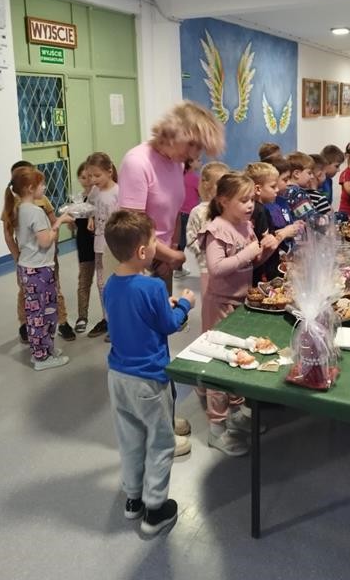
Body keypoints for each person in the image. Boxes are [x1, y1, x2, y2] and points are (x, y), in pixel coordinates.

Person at [118, 100, 225, 457]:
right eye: (193, 145)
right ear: (174, 134)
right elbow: (132, 229)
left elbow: (171, 215)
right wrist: (170, 256)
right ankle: (155, 431)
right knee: (145, 348)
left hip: (157, 259)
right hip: (137, 262)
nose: (195, 155)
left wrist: (169, 255)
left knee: (160, 340)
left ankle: (163, 414)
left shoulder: (175, 162)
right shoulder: (138, 162)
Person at [103, 209, 195, 536]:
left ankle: (133, 499)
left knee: (129, 439)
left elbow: (132, 314)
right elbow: (168, 325)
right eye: (155, 240)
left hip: (118, 377)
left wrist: (161, 305)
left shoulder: (110, 285)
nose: (158, 245)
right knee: (160, 442)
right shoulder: (153, 286)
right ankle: (155, 509)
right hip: (149, 380)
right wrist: (184, 304)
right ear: (142, 251)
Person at [199, 172, 277, 455]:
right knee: (220, 365)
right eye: (243, 200)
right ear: (223, 201)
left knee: (240, 358)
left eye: (251, 200)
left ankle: (235, 413)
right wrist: (248, 253)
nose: (250, 205)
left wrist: (266, 250)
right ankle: (216, 428)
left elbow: (250, 263)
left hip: (241, 302)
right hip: (220, 304)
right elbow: (217, 268)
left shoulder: (246, 225)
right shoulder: (216, 230)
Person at [3, 166, 73, 370]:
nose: (45, 188)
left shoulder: (18, 209)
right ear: (30, 187)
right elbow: (45, 241)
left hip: (29, 268)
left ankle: (46, 349)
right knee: (41, 314)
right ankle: (41, 357)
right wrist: (59, 222)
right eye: (41, 184)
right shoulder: (34, 211)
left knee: (40, 312)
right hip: (39, 270)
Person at [244, 161, 302, 283]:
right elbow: (265, 245)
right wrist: (284, 233)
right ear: (258, 189)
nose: (277, 190)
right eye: (272, 186)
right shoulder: (260, 211)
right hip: (262, 274)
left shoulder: (259, 209)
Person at [185, 161, 229, 319]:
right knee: (211, 310)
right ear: (207, 185)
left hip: (229, 268)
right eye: (220, 184)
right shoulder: (198, 211)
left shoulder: (228, 209)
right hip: (207, 268)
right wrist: (208, 249)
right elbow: (191, 239)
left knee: (227, 309)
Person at [86, 152, 119, 339]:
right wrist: (91, 217)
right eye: (90, 176)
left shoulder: (118, 192)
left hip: (114, 247)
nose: (93, 180)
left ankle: (117, 322)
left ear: (109, 171)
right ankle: (107, 318)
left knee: (114, 283)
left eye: (97, 175)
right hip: (99, 244)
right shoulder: (95, 191)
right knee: (101, 284)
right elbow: (91, 205)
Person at [73, 162, 95, 334]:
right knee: (84, 282)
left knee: (104, 283)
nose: (87, 180)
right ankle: (82, 316)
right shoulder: (78, 200)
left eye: (90, 176)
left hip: (100, 243)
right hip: (84, 245)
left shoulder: (100, 196)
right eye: (83, 177)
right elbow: (74, 224)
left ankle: (108, 318)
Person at [174, 157, 201, 279]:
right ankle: (178, 268)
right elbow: (202, 192)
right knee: (183, 241)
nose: (200, 162)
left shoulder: (180, 177)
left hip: (179, 213)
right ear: (190, 162)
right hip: (188, 214)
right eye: (198, 160)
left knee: (179, 240)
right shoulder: (195, 179)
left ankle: (177, 267)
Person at [282, 152, 319, 224]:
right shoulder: (297, 193)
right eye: (309, 173)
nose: (312, 177)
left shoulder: (285, 190)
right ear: (296, 174)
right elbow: (310, 219)